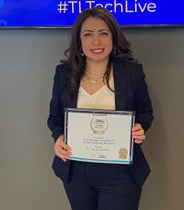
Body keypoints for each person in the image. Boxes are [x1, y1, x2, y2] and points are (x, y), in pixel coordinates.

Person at [47, 7, 153, 210]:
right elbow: (55, 117)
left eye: (103, 33)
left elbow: (146, 113)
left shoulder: (131, 72)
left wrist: (141, 127)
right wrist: (58, 137)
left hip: (121, 174)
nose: (96, 42)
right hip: (76, 172)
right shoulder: (63, 73)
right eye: (88, 34)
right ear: (79, 41)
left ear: (113, 37)